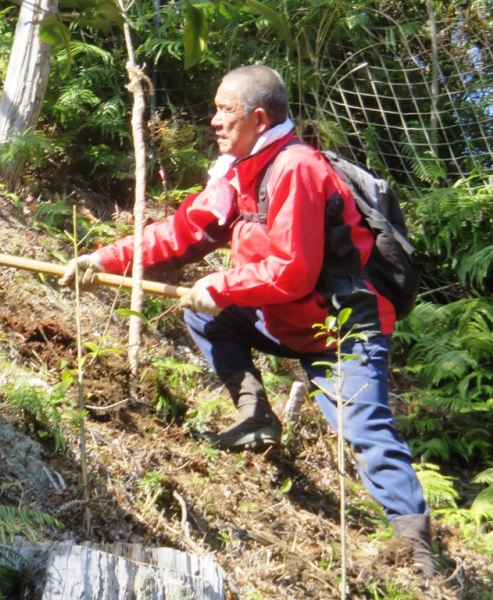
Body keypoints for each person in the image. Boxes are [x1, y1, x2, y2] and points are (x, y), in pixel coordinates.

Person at [58, 65, 438, 576]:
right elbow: (182, 232)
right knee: (207, 319)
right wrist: (103, 259)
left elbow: (294, 271)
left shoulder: (295, 169)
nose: (213, 121)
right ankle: (254, 412)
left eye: (224, 110)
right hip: (286, 318)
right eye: (214, 108)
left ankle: (415, 550)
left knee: (363, 426)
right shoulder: (238, 173)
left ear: (259, 119)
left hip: (342, 327)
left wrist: (221, 285)